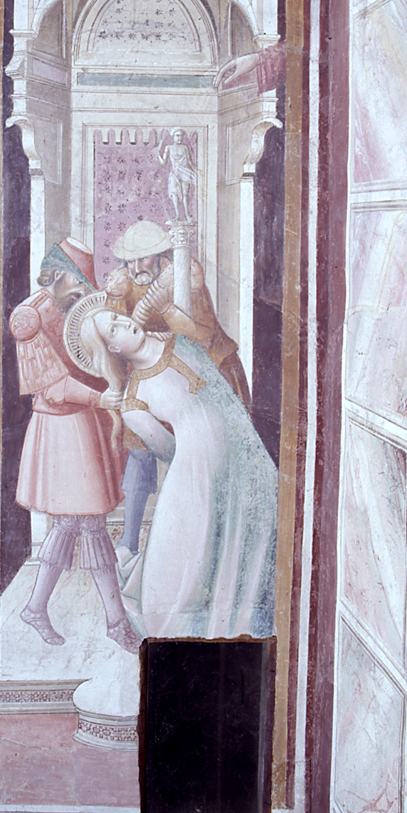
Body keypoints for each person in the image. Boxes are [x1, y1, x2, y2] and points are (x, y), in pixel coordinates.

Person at [68, 295, 277, 640]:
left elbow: (227, 399)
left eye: (117, 318)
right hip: (193, 478)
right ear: (113, 350)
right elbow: (167, 449)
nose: (125, 323)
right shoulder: (133, 402)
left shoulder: (182, 342)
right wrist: (202, 452)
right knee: (187, 569)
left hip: (242, 456)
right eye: (113, 331)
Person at [9, 239, 138, 652]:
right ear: (61, 274)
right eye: (79, 281)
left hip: (84, 422)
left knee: (72, 523)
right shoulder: (27, 318)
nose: (84, 290)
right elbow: (53, 386)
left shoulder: (71, 307)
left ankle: (36, 608)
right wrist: (103, 399)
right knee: (90, 521)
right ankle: (116, 622)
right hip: (61, 429)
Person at [104, 218, 251, 558]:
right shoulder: (124, 283)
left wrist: (167, 310)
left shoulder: (185, 274)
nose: (136, 268)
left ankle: (220, 541)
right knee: (140, 448)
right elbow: (113, 340)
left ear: (160, 255)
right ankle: (129, 540)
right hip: (154, 378)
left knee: (214, 452)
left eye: (143, 258)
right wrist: (114, 299)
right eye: (130, 261)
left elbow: (202, 336)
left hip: (206, 372)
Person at [157, 128, 196, 222]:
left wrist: (195, 172)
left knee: (185, 194)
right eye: (177, 136)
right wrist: (158, 155)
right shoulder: (169, 148)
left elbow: (189, 161)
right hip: (175, 172)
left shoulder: (185, 148)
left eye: (181, 136)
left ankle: (187, 215)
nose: (179, 138)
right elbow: (163, 163)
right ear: (173, 137)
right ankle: (177, 215)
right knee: (174, 193)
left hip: (185, 172)